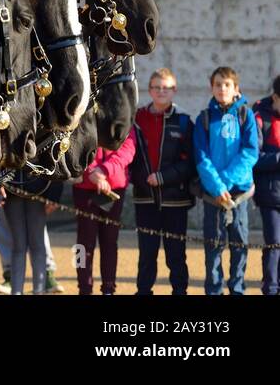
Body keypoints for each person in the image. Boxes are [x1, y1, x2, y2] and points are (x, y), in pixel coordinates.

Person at [194, 65, 260, 295]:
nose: (222, 88)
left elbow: (250, 152)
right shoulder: (204, 118)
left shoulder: (246, 115)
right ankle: (213, 290)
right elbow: (201, 157)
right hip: (214, 196)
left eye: (227, 85)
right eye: (218, 84)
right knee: (213, 246)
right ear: (211, 88)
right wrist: (217, 187)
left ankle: (237, 288)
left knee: (239, 245)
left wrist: (227, 182)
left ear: (236, 88)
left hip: (238, 195)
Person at [129, 67, 195, 295]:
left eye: (166, 88)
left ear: (174, 90)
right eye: (156, 87)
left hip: (175, 200)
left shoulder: (185, 121)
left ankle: (180, 291)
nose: (161, 92)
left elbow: (190, 163)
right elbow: (131, 158)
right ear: (150, 90)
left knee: (176, 253)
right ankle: (143, 291)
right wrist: (143, 180)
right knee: (147, 253)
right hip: (145, 198)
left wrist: (163, 177)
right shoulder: (136, 118)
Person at [73, 126, 136, 294]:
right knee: (82, 245)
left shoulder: (122, 111)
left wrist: (104, 170)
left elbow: (128, 148)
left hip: (113, 187)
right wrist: (91, 171)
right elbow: (75, 144)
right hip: (84, 188)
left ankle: (109, 288)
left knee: (110, 242)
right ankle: (83, 288)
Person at [255, 75, 280, 295]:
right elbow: (255, 158)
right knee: (274, 244)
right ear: (275, 97)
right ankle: (271, 288)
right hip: (270, 195)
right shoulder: (260, 117)